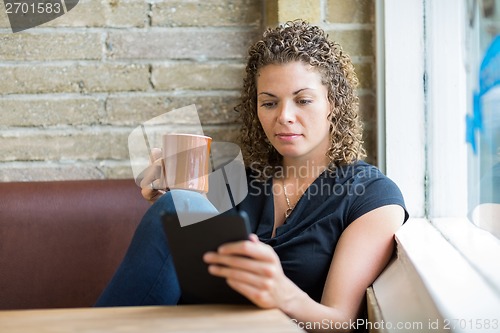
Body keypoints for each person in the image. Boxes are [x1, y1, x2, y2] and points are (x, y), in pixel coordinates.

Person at [95, 20, 408, 332]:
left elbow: (340, 323)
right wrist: (166, 196)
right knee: (178, 205)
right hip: (202, 325)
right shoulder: (239, 181)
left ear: (334, 104)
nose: (283, 116)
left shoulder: (371, 196)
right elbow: (177, 255)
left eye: (303, 100)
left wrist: (282, 293)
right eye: (269, 102)